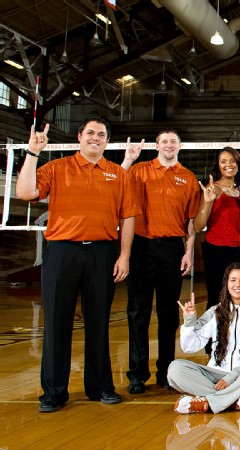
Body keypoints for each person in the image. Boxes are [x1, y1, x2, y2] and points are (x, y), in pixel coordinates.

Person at [16, 118, 140, 412]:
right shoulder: (57, 168)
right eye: (90, 133)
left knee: (99, 322)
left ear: (107, 141)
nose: (95, 138)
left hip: (102, 253)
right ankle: (54, 392)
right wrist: (33, 153)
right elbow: (24, 193)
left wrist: (123, 256)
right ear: (79, 137)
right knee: (57, 323)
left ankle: (100, 387)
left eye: (101, 135)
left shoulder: (118, 175)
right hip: (62, 252)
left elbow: (128, 218)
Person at [121, 129, 201, 394]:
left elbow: (191, 221)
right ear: (157, 145)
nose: (169, 145)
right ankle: (137, 373)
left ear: (180, 146)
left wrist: (188, 251)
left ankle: (165, 371)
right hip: (142, 247)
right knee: (138, 311)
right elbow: (115, 186)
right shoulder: (139, 170)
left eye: (173, 141)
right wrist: (128, 161)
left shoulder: (188, 178)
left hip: (171, 248)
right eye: (164, 141)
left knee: (168, 314)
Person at [168, 263, 240, 413]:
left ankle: (211, 400)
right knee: (175, 369)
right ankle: (233, 399)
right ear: (226, 283)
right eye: (233, 280)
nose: (238, 284)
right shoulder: (215, 312)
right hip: (216, 377)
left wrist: (231, 378)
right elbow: (189, 346)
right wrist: (190, 320)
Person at [195, 147, 240, 317]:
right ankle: (213, 343)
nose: (228, 165)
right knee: (216, 299)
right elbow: (198, 225)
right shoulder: (213, 189)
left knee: (236, 299)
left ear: (238, 165)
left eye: (232, 161)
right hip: (216, 251)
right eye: (223, 161)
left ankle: (231, 341)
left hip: (237, 251)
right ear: (218, 166)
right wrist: (209, 202)